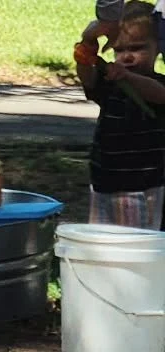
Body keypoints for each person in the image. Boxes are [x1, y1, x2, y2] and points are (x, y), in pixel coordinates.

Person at [75, 1, 165, 229]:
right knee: (105, 245)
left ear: (158, 48)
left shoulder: (156, 83)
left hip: (145, 186)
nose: (126, 57)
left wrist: (128, 78)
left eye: (137, 48)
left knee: (138, 247)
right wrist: (88, 42)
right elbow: (87, 77)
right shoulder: (110, 83)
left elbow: (160, 95)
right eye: (119, 50)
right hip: (105, 183)